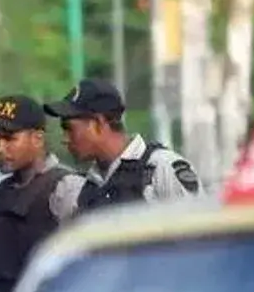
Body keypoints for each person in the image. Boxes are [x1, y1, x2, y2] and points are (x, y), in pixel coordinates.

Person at [0, 95, 86, 292]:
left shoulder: (66, 188)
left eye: (9, 138)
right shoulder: (1, 191)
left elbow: (84, 268)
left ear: (38, 138)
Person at [44, 79, 202, 213]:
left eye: (69, 129)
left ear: (98, 123)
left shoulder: (161, 169)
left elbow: (199, 233)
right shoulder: (86, 187)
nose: (65, 139)